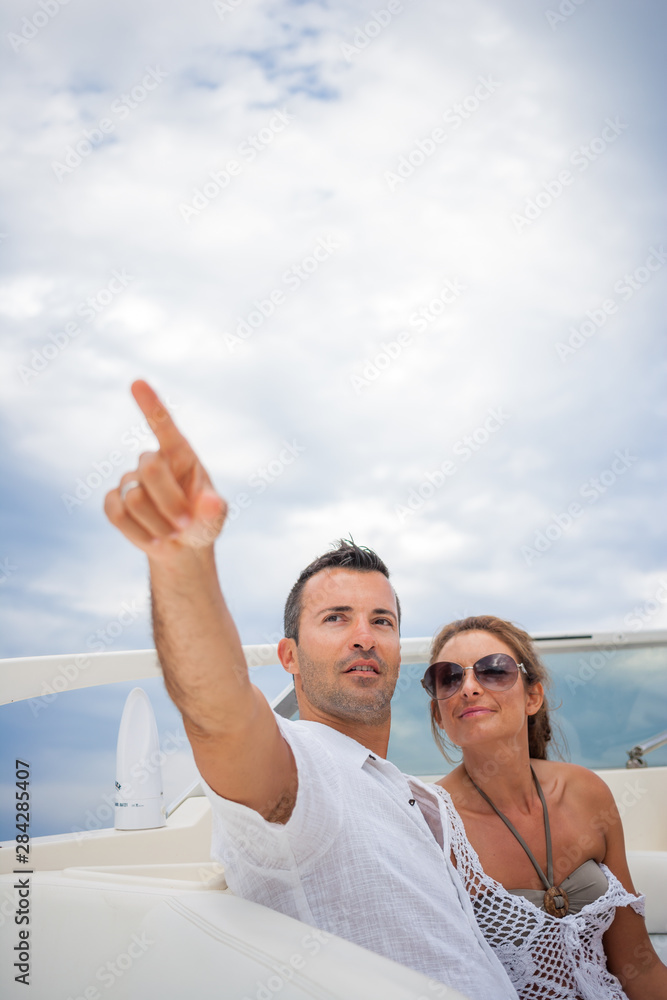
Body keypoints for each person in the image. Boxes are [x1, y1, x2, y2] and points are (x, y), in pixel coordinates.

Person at [104, 380, 518, 1000]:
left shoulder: (406, 794)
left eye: (382, 621)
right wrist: (182, 562)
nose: (364, 637)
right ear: (289, 658)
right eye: (336, 618)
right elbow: (220, 716)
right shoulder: (302, 771)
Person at [422, 614, 667, 1000]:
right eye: (449, 677)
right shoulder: (430, 824)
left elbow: (638, 965)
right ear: (439, 712)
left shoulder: (586, 793)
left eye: (493, 671)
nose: (468, 687)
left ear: (532, 697)